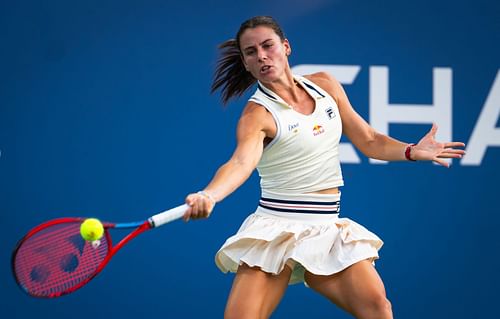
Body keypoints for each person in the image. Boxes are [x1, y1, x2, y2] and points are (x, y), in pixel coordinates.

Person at [182, 16, 465, 319]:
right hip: (275, 230)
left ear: (286, 47)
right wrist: (209, 195)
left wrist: (411, 150)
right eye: (251, 52)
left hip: (326, 227)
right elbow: (240, 162)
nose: (262, 56)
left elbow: (369, 140)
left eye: (268, 46)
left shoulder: (325, 85)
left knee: (378, 308)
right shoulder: (257, 115)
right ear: (246, 63)